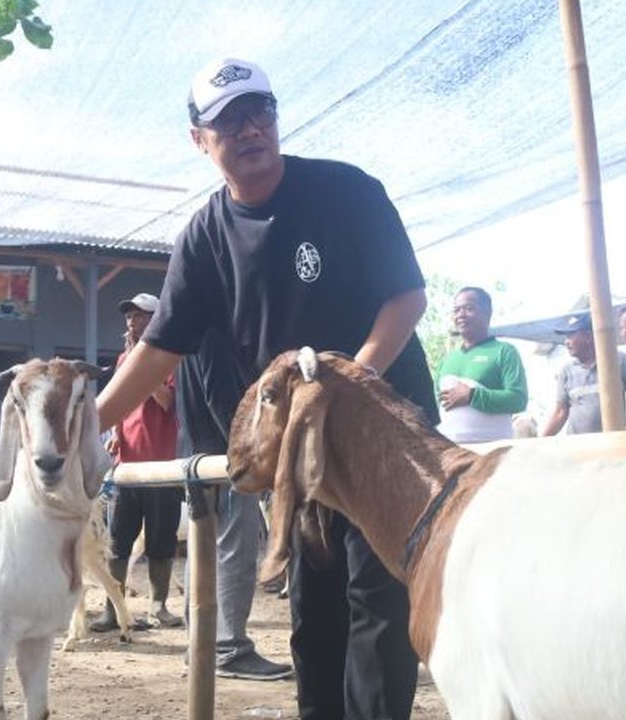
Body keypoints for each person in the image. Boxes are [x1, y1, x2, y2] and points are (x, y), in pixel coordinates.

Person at [96, 57, 436, 719]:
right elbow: (159, 348)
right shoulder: (203, 238)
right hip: (303, 449)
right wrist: (88, 426)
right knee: (316, 601)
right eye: (229, 121)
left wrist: (350, 384)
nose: (250, 129)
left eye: (261, 112)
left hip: (385, 432)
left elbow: (407, 298)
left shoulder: (346, 192)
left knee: (379, 598)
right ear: (200, 139)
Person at [177, 325, 293, 680]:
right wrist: (249, 454)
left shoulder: (192, 334)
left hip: (196, 453)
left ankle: (202, 641)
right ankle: (227, 647)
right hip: (225, 458)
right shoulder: (218, 334)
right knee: (234, 551)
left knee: (203, 549)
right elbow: (221, 397)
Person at [91, 294, 184, 631]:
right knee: (118, 538)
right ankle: (113, 609)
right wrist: (114, 432)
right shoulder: (123, 359)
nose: (131, 320)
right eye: (129, 315)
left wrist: (143, 369)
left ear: (156, 319)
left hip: (162, 464)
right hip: (127, 464)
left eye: (140, 315)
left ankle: (158, 607)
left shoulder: (172, 359)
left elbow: (166, 401)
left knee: (161, 540)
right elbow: (119, 402)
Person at [434, 287, 528, 442]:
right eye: (457, 310)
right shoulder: (447, 361)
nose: (461, 315)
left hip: (493, 453)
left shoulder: (504, 351)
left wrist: (472, 396)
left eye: (469, 308)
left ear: (487, 313)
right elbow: (436, 408)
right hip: (451, 453)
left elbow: (518, 399)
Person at [541, 312, 626, 435]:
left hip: (613, 443)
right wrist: (540, 441)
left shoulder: (619, 361)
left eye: (571, 335)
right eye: (566, 337)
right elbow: (560, 412)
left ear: (588, 336)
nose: (566, 342)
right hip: (578, 446)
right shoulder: (566, 371)